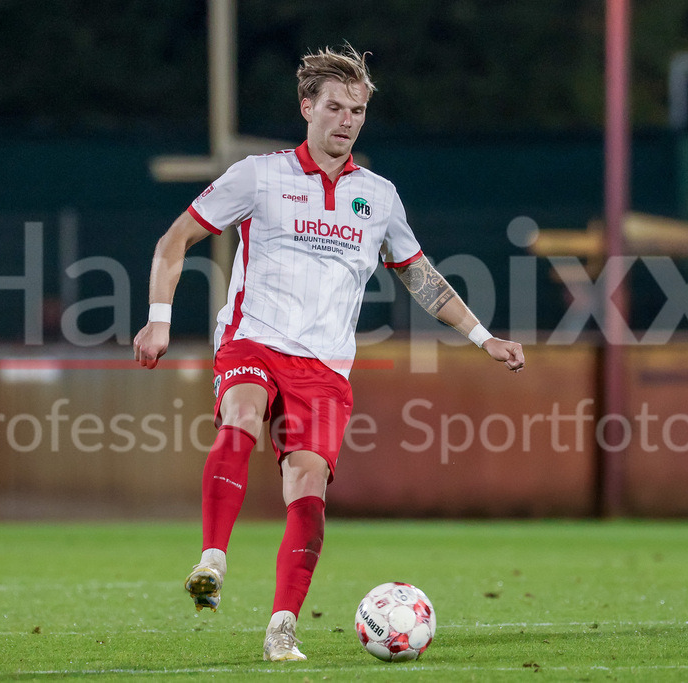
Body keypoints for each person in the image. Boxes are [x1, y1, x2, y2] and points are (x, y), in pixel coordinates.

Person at [132, 45, 525, 662]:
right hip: (253, 338)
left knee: (309, 487)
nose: (347, 121)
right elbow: (175, 238)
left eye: (359, 110)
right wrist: (159, 320)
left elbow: (421, 277)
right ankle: (213, 556)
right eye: (336, 107)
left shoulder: (380, 198)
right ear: (307, 107)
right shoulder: (260, 176)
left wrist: (484, 337)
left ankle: (281, 627)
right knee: (239, 416)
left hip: (324, 367)